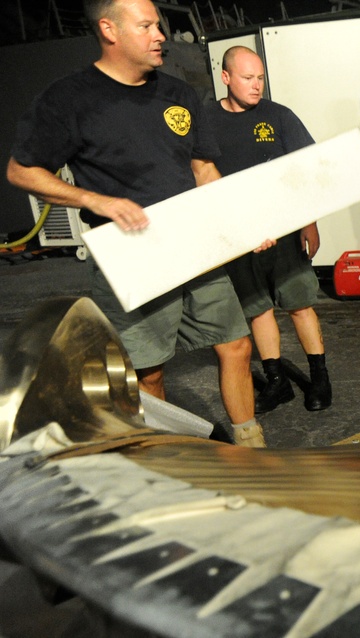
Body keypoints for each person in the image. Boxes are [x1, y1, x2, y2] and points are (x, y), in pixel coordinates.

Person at [6, 0, 267, 447]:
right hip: (132, 251)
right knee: (149, 369)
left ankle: (250, 443)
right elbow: (21, 170)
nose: (160, 34)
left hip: (194, 242)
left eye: (158, 25)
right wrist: (95, 201)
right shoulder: (70, 98)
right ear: (109, 29)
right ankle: (167, 458)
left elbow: (203, 169)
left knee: (237, 343)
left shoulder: (178, 93)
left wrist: (239, 223)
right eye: (146, 25)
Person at [206, 46, 332, 414]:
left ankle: (320, 378)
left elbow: (307, 170)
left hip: (286, 233)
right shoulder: (207, 121)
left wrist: (309, 222)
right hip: (240, 237)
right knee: (258, 310)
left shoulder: (279, 117)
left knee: (299, 305)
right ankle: (277, 383)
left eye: (260, 77)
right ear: (226, 77)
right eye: (247, 78)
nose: (256, 85)